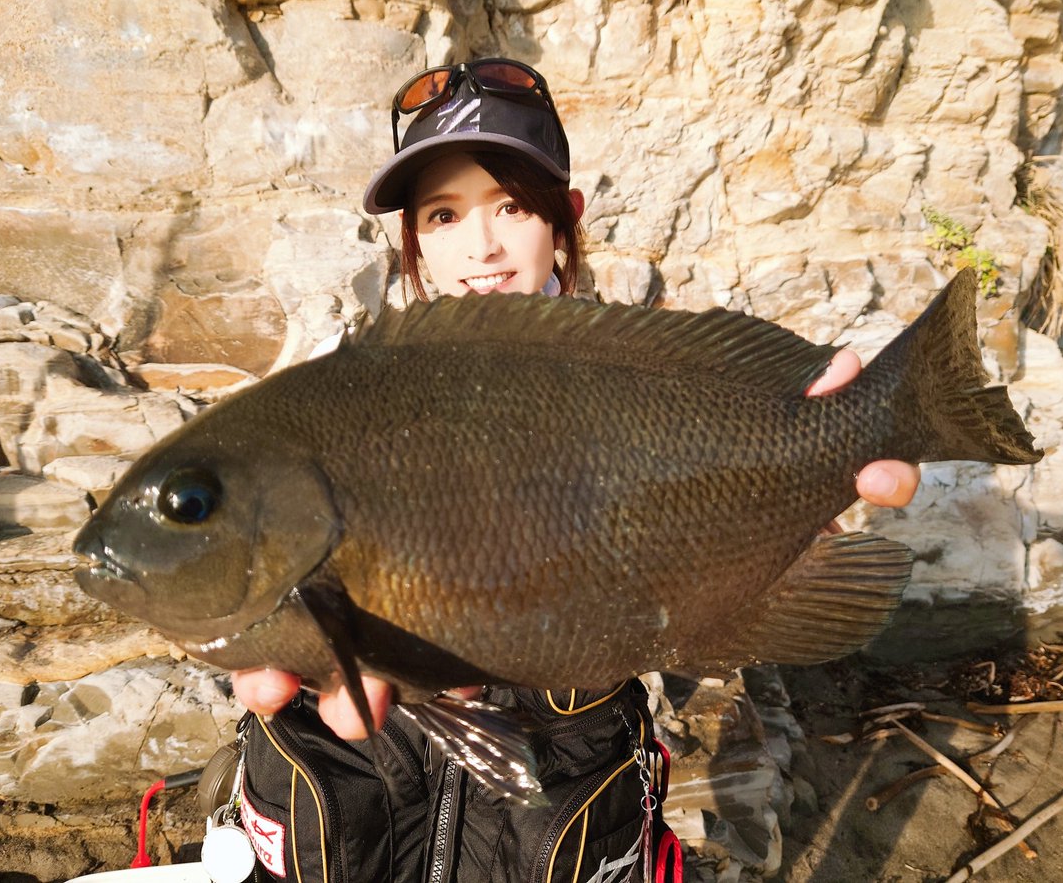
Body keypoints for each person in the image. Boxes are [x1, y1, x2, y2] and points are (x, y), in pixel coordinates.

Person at [230, 58, 921, 881]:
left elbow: (718, 591)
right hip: (362, 793)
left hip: (558, 790)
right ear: (411, 236)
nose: (480, 245)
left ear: (565, 219)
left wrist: (790, 515)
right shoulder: (329, 396)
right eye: (443, 214)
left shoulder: (644, 377)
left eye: (512, 207)